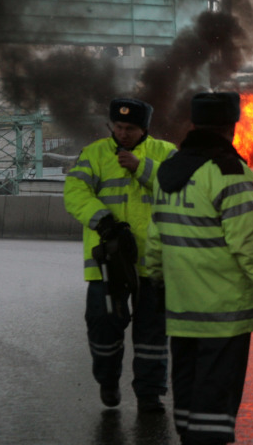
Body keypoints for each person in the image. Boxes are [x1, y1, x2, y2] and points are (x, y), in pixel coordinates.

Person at [146, 91, 253, 445]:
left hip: (182, 301)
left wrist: (155, 279)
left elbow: (155, 233)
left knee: (188, 377)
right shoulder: (228, 170)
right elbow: (248, 241)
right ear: (230, 125)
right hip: (223, 303)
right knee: (218, 380)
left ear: (194, 124)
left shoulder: (169, 168)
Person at [63, 97, 177, 413]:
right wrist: (104, 220)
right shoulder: (93, 154)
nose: (123, 133)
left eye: (130, 128)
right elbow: (74, 193)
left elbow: (181, 188)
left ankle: (150, 394)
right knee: (102, 325)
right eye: (118, 126)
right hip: (107, 262)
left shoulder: (165, 154)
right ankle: (108, 381)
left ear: (145, 129)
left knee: (152, 335)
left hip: (153, 262)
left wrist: (143, 168)